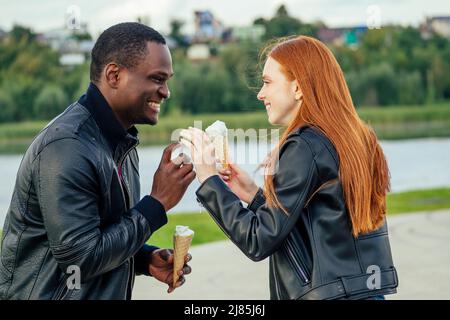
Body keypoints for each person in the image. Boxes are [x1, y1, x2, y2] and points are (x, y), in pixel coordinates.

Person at [181, 36, 398, 300]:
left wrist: (208, 180)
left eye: (267, 82)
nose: (260, 94)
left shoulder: (304, 145)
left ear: (298, 88)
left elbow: (258, 241)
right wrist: (255, 196)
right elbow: (320, 225)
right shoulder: (357, 138)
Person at [0, 22, 195, 300]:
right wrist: (157, 203)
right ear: (114, 75)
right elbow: (81, 260)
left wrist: (143, 258)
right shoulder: (67, 147)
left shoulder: (121, 141)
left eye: (167, 80)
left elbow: (101, 232)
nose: (166, 91)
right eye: (157, 78)